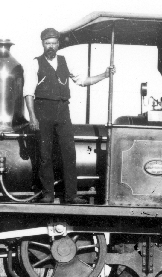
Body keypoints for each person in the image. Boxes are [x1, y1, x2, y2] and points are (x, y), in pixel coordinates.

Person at [23, 28, 115, 204]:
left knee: (69, 152)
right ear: (43, 44)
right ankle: (48, 194)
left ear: (58, 44)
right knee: (44, 154)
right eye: (47, 43)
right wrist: (32, 117)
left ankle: (71, 195)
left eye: (53, 43)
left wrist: (104, 75)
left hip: (63, 111)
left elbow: (83, 81)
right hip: (43, 111)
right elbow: (28, 93)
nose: (50, 46)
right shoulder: (34, 64)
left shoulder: (66, 62)